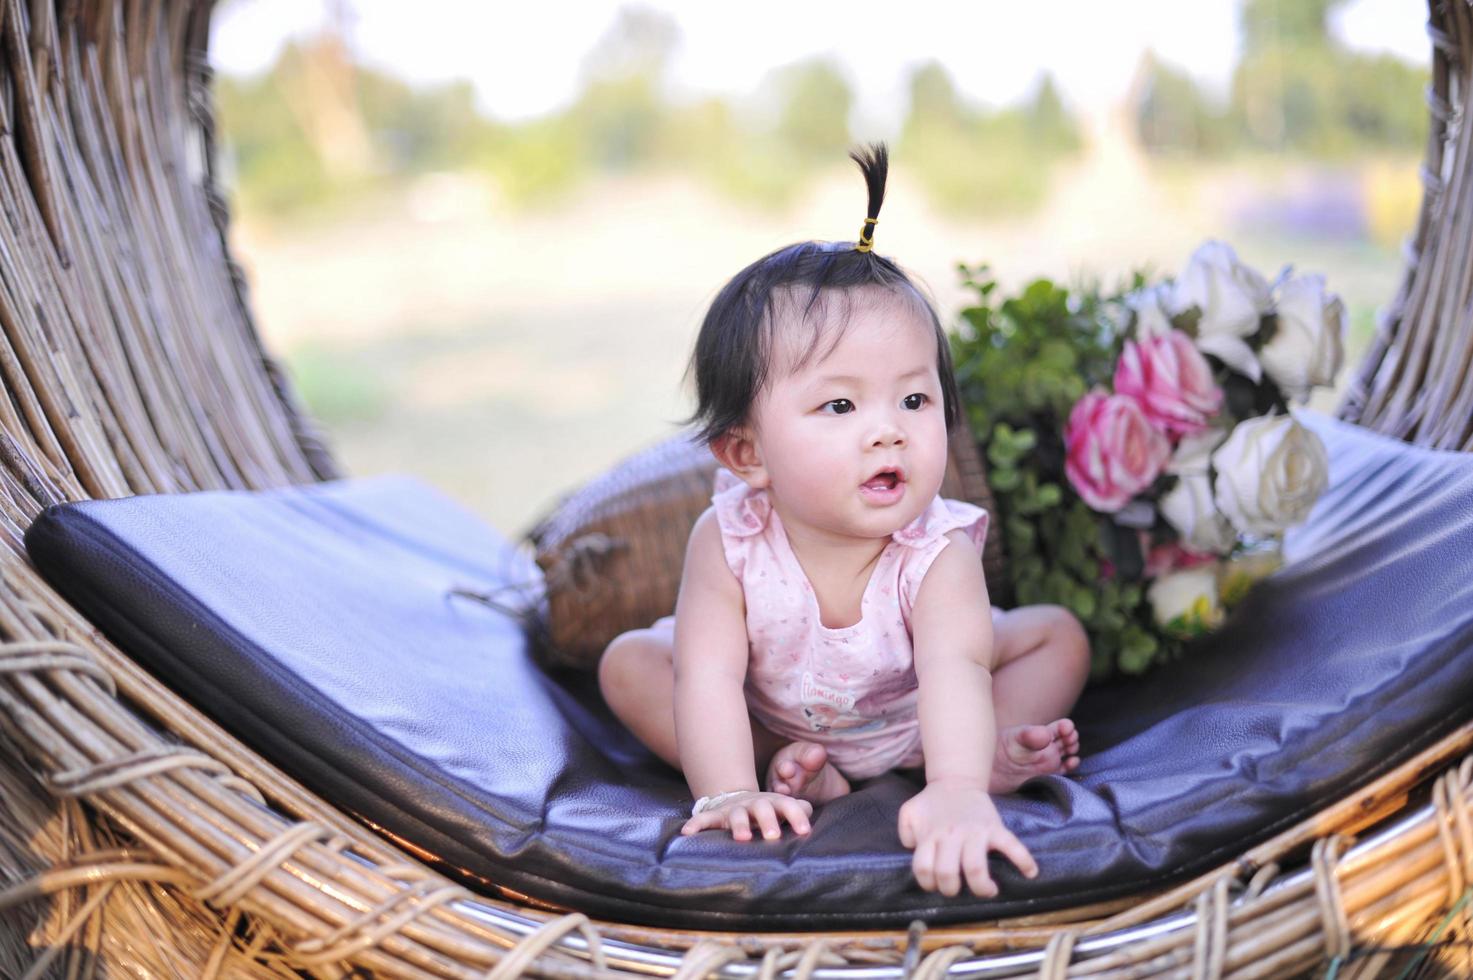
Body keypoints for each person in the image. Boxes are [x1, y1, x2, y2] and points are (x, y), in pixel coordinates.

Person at [598, 143, 1091, 898]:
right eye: (840, 405)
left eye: (913, 400)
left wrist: (958, 786)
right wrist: (728, 789)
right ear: (746, 452)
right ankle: (780, 770)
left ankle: (979, 756)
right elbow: (707, 673)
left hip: (920, 718)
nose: (888, 430)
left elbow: (955, 668)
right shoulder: (728, 541)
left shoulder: (935, 548)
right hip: (778, 716)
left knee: (1055, 634)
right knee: (631, 663)